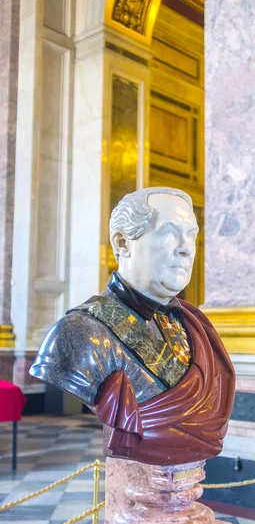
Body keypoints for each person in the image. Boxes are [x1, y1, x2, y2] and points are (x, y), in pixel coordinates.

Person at [30, 187, 236, 465]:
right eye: (168, 232)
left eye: (191, 235)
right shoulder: (79, 333)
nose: (185, 248)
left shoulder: (195, 325)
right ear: (123, 243)